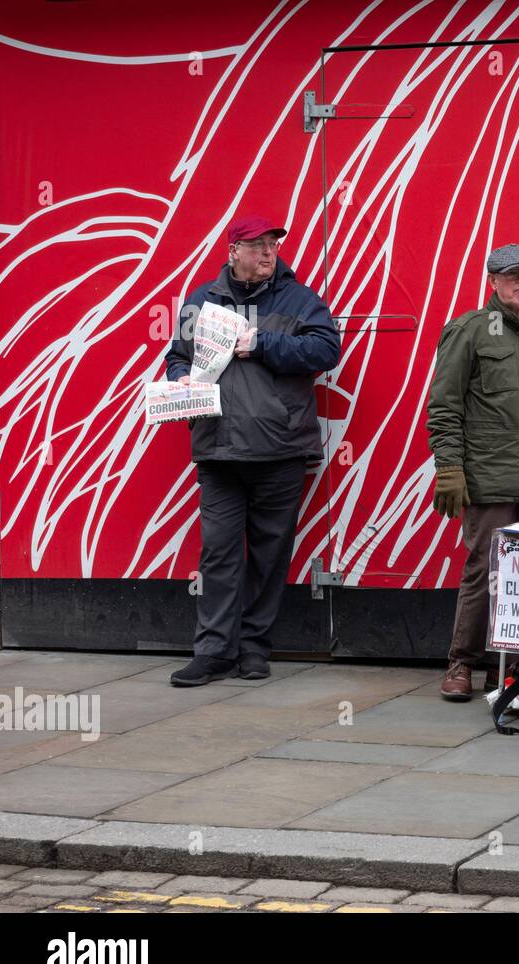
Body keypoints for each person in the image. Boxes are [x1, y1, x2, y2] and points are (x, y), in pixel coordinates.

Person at [165, 214, 341, 686]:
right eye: (258, 245)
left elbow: (326, 351)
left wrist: (261, 343)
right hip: (218, 449)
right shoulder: (201, 299)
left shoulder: (299, 298)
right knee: (219, 554)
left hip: (279, 448)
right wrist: (177, 378)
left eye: (273, 245)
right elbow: (177, 355)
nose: (268, 253)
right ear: (233, 252)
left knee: (269, 554)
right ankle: (213, 652)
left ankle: (254, 648)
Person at [426, 245, 519, 701]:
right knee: (485, 570)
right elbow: (444, 405)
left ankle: (518, 666)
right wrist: (450, 468)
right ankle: (462, 663)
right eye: (511, 275)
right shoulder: (471, 330)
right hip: (490, 475)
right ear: (493, 282)